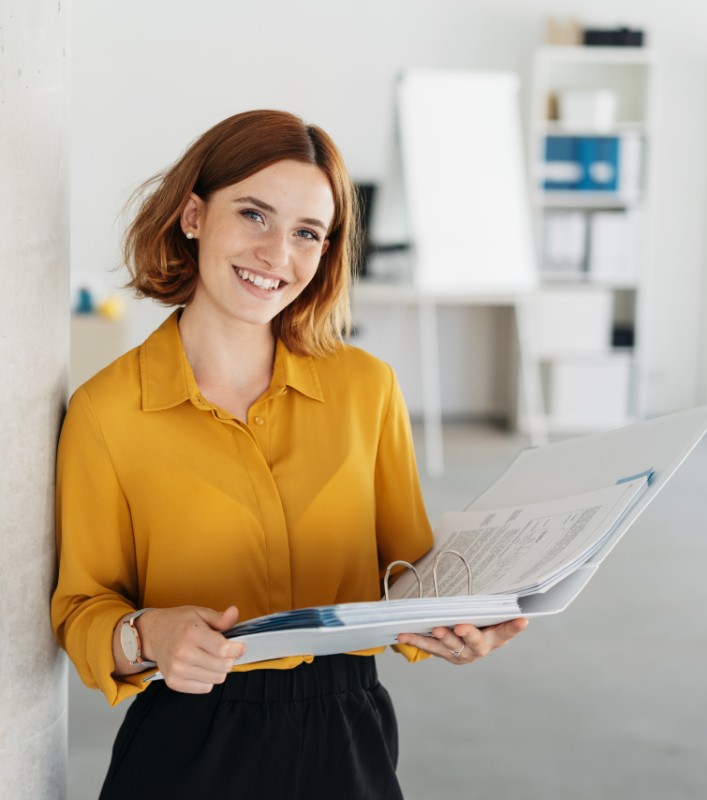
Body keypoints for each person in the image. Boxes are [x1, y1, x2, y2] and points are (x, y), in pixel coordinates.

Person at [51, 109, 527, 799]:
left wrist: (453, 624)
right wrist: (150, 634)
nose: (278, 254)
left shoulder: (368, 389)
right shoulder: (107, 411)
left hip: (347, 735)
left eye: (307, 232)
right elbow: (80, 607)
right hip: (186, 741)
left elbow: (408, 572)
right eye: (253, 215)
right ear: (193, 216)